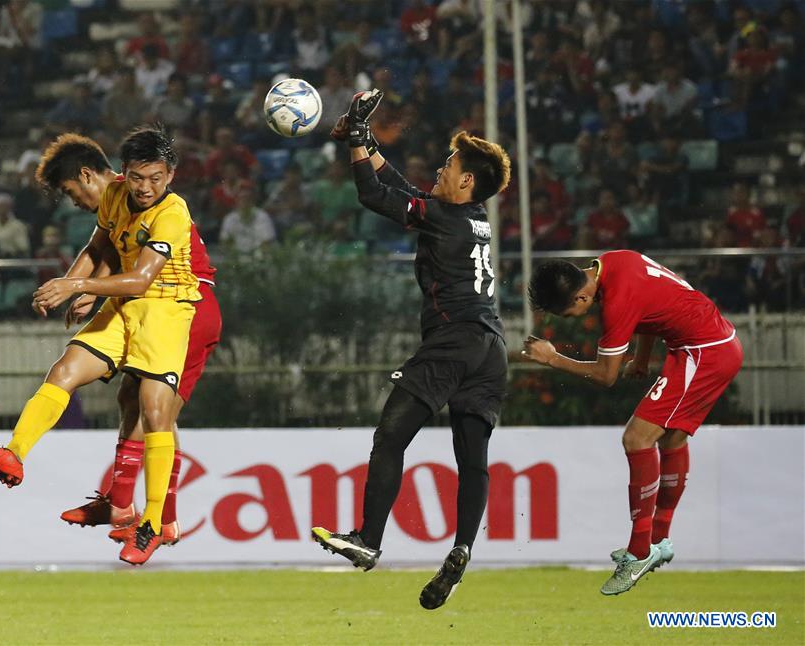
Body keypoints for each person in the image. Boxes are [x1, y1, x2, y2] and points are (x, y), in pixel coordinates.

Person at [0, 126, 207, 566]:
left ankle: (151, 523)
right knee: (64, 370)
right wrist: (72, 286)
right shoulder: (116, 196)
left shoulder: (172, 212)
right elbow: (99, 244)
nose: (145, 187)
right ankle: (14, 454)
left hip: (166, 310)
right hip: (123, 307)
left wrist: (77, 284)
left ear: (169, 175)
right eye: (137, 177)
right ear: (125, 173)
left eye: (155, 177)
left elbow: (141, 279)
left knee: (154, 410)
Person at [311, 91, 511, 610]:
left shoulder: (446, 218)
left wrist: (358, 142)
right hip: (492, 350)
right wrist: (367, 141)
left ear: (466, 180)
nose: (441, 169)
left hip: (453, 342)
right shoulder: (475, 216)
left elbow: (376, 197)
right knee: (472, 462)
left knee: (391, 436)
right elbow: (403, 190)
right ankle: (462, 548)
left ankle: (369, 539)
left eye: (450, 165)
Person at [26, 133, 220, 550]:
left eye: (69, 190)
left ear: (86, 176)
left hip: (190, 305)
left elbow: (135, 267)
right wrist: (87, 291)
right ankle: (119, 505)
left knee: (157, 410)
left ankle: (163, 521)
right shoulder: (122, 204)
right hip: (147, 303)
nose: (73, 200)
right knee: (130, 400)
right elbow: (107, 249)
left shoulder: (154, 204)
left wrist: (84, 287)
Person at [522, 251, 743, 595]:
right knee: (670, 441)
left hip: (703, 352)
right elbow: (650, 308)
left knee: (636, 439)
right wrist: (641, 358)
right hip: (703, 344)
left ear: (582, 296)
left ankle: (639, 552)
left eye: (568, 312)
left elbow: (605, 375)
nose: (572, 319)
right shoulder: (614, 262)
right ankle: (660, 539)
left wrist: (553, 359)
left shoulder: (616, 302)